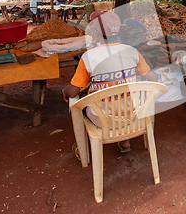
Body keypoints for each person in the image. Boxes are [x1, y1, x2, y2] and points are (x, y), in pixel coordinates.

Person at [62, 11, 159, 153]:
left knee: (79, 106)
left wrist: (65, 90)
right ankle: (125, 141)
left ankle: (82, 148)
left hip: (101, 120)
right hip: (132, 116)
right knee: (122, 99)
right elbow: (154, 79)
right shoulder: (132, 52)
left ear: (95, 32)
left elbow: (72, 93)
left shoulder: (88, 57)